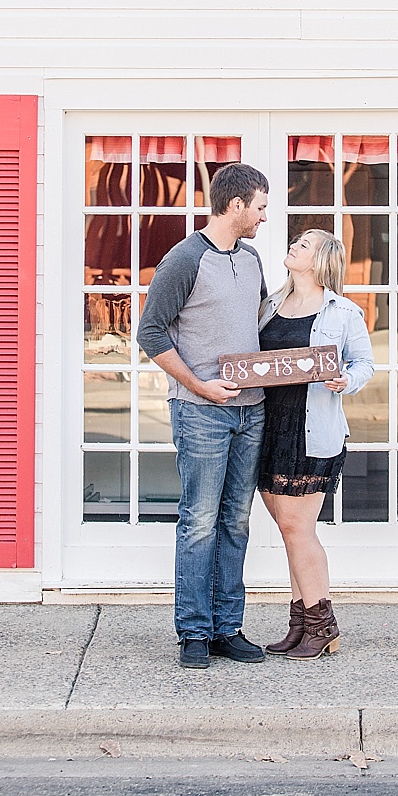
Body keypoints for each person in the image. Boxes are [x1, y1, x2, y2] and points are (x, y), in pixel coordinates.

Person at [136, 163, 272, 670]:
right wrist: (199, 385)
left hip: (250, 411)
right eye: (259, 206)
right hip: (200, 413)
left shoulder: (253, 258)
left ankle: (226, 627)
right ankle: (193, 631)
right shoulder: (185, 258)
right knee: (199, 522)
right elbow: (151, 334)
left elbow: (258, 327)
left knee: (236, 521)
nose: (263, 216)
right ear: (235, 205)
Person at [257, 228, 374, 659]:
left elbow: (364, 363)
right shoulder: (270, 306)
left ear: (322, 259)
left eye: (303, 244)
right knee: (290, 532)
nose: (293, 246)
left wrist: (347, 380)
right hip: (267, 427)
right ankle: (301, 623)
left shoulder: (342, 312)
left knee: (297, 529)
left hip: (311, 430)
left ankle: (322, 625)